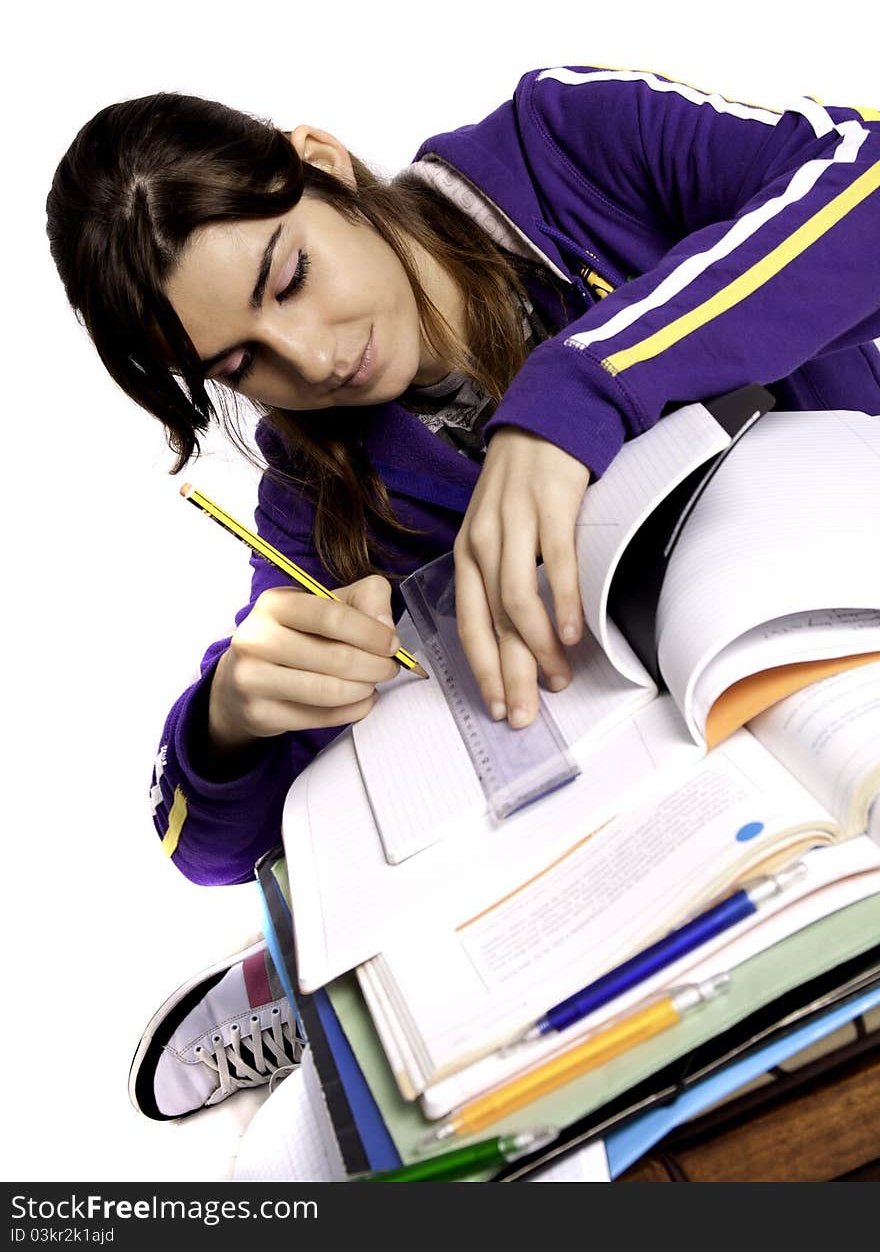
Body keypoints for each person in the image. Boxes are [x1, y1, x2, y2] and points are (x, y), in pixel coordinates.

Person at [46, 63, 880, 1118]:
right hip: (703, 798)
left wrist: (585, 381)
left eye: (290, 274)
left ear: (321, 163)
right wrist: (229, 721)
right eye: (244, 360)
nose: (311, 358)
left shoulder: (559, 144)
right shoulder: (321, 499)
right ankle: (351, 993)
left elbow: (867, 178)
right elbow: (207, 844)